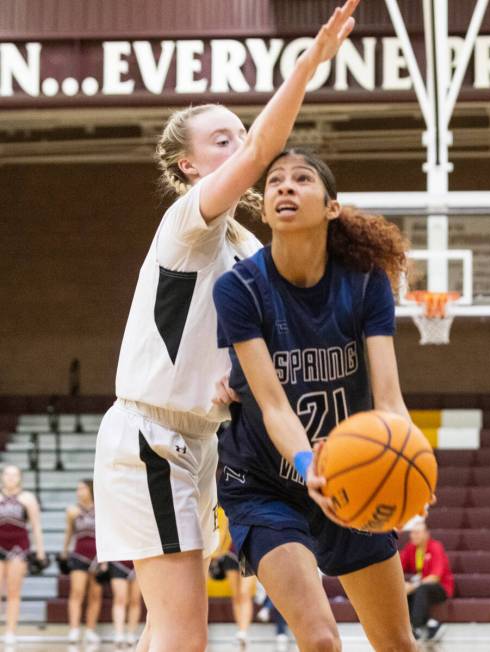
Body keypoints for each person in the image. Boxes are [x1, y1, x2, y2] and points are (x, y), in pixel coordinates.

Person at [93, 3, 360, 651]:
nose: (241, 146)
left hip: (202, 444)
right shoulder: (189, 222)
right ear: (188, 167)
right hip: (153, 437)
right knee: (184, 637)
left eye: (240, 134)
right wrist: (309, 63)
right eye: (223, 140)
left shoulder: (245, 247)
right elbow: (269, 147)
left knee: (169, 630)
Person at [213, 149, 418, 652]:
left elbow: (388, 398)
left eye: (301, 179)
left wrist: (414, 459)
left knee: (398, 644)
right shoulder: (239, 289)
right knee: (322, 639)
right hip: (264, 484)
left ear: (331, 207)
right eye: (275, 182)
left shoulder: (367, 282)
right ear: (262, 210)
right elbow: (273, 405)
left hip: (349, 475)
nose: (285, 187)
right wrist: (310, 466)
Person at [0, 465, 46, 646]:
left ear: (20, 478)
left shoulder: (27, 498)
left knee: (13, 592)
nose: (10, 478)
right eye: (7, 474)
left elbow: (36, 526)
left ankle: (10, 631)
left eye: (14, 475)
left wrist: (40, 552)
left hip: (18, 547)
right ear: (2, 477)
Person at [60, 479, 101, 645]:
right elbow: (69, 532)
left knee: (95, 594)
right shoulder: (72, 510)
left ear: (90, 489)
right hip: (79, 554)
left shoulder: (102, 509)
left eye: (82, 488)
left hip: (98, 556)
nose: (79, 492)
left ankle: (90, 630)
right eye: (77, 489)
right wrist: (64, 551)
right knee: (77, 592)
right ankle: (74, 629)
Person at [400, 519, 454, 641]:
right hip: (422, 585)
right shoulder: (410, 548)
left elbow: (435, 577)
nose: (413, 535)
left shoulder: (435, 547)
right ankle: (429, 623)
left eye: (417, 533)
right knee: (405, 592)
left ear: (426, 534)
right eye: (412, 532)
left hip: (440, 587)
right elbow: (398, 567)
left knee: (420, 589)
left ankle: (417, 626)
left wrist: (412, 586)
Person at [212, 507, 256, 648]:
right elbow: (221, 530)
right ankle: (240, 631)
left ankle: (244, 632)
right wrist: (217, 552)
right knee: (236, 595)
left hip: (247, 551)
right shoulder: (226, 505)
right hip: (229, 552)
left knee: (244, 593)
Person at [108, 560, 143, 648]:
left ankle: (131, 634)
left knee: (135, 600)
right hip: (119, 562)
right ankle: (119, 634)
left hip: (138, 562)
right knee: (120, 599)